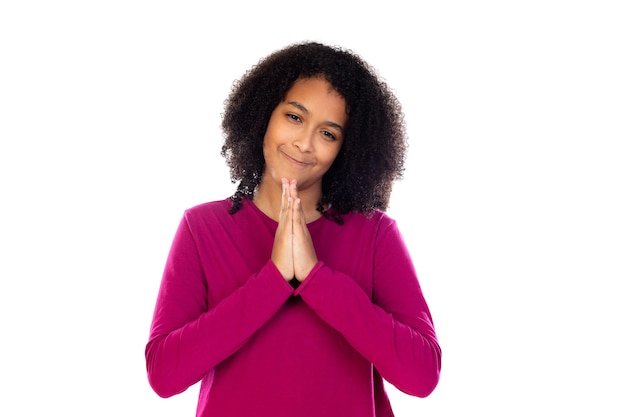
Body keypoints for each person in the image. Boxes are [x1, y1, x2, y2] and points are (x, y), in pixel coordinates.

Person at [145, 41, 441, 417]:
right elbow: (164, 376)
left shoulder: (375, 234)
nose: (304, 144)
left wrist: (317, 279)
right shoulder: (202, 228)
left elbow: (422, 376)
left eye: (328, 133)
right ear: (264, 114)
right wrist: (274, 279)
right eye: (295, 117)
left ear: (347, 150)